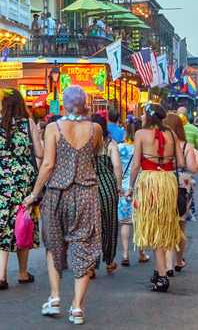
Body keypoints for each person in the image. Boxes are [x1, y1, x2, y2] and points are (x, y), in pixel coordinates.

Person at [22, 86, 102, 324]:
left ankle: (55, 297)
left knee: (54, 245)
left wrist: (34, 194)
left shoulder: (54, 128)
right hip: (86, 194)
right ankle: (77, 307)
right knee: (84, 247)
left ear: (65, 104)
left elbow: (47, 165)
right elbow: (95, 153)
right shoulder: (95, 129)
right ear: (85, 103)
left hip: (58, 194)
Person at [0, 90, 43, 290]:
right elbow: (39, 153)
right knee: (23, 222)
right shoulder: (28, 124)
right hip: (23, 179)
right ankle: (23, 273)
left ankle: (1, 275)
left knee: (1, 224)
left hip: (0, 177)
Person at [125, 103, 185, 293]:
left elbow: (135, 166)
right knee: (164, 225)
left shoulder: (141, 134)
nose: (141, 118)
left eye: (143, 115)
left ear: (149, 117)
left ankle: (162, 276)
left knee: (153, 227)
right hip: (167, 182)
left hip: (149, 181)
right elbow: (181, 162)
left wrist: (129, 188)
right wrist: (165, 161)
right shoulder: (172, 135)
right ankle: (158, 269)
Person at [162, 113, 198, 277]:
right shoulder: (186, 146)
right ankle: (178, 260)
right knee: (180, 225)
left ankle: (164, 260)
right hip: (183, 186)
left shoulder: (162, 143)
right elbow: (193, 168)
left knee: (165, 224)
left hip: (164, 182)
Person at [90, 113, 123, 276]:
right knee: (109, 224)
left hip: (89, 186)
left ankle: (91, 263)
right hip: (107, 186)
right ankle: (109, 260)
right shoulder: (110, 143)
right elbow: (117, 166)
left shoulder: (84, 143)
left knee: (91, 225)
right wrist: (118, 185)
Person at [117, 119, 149, 267]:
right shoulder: (143, 147)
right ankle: (141, 252)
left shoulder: (120, 147)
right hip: (140, 184)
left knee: (125, 221)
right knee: (140, 220)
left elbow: (116, 167)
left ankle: (125, 253)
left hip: (124, 185)